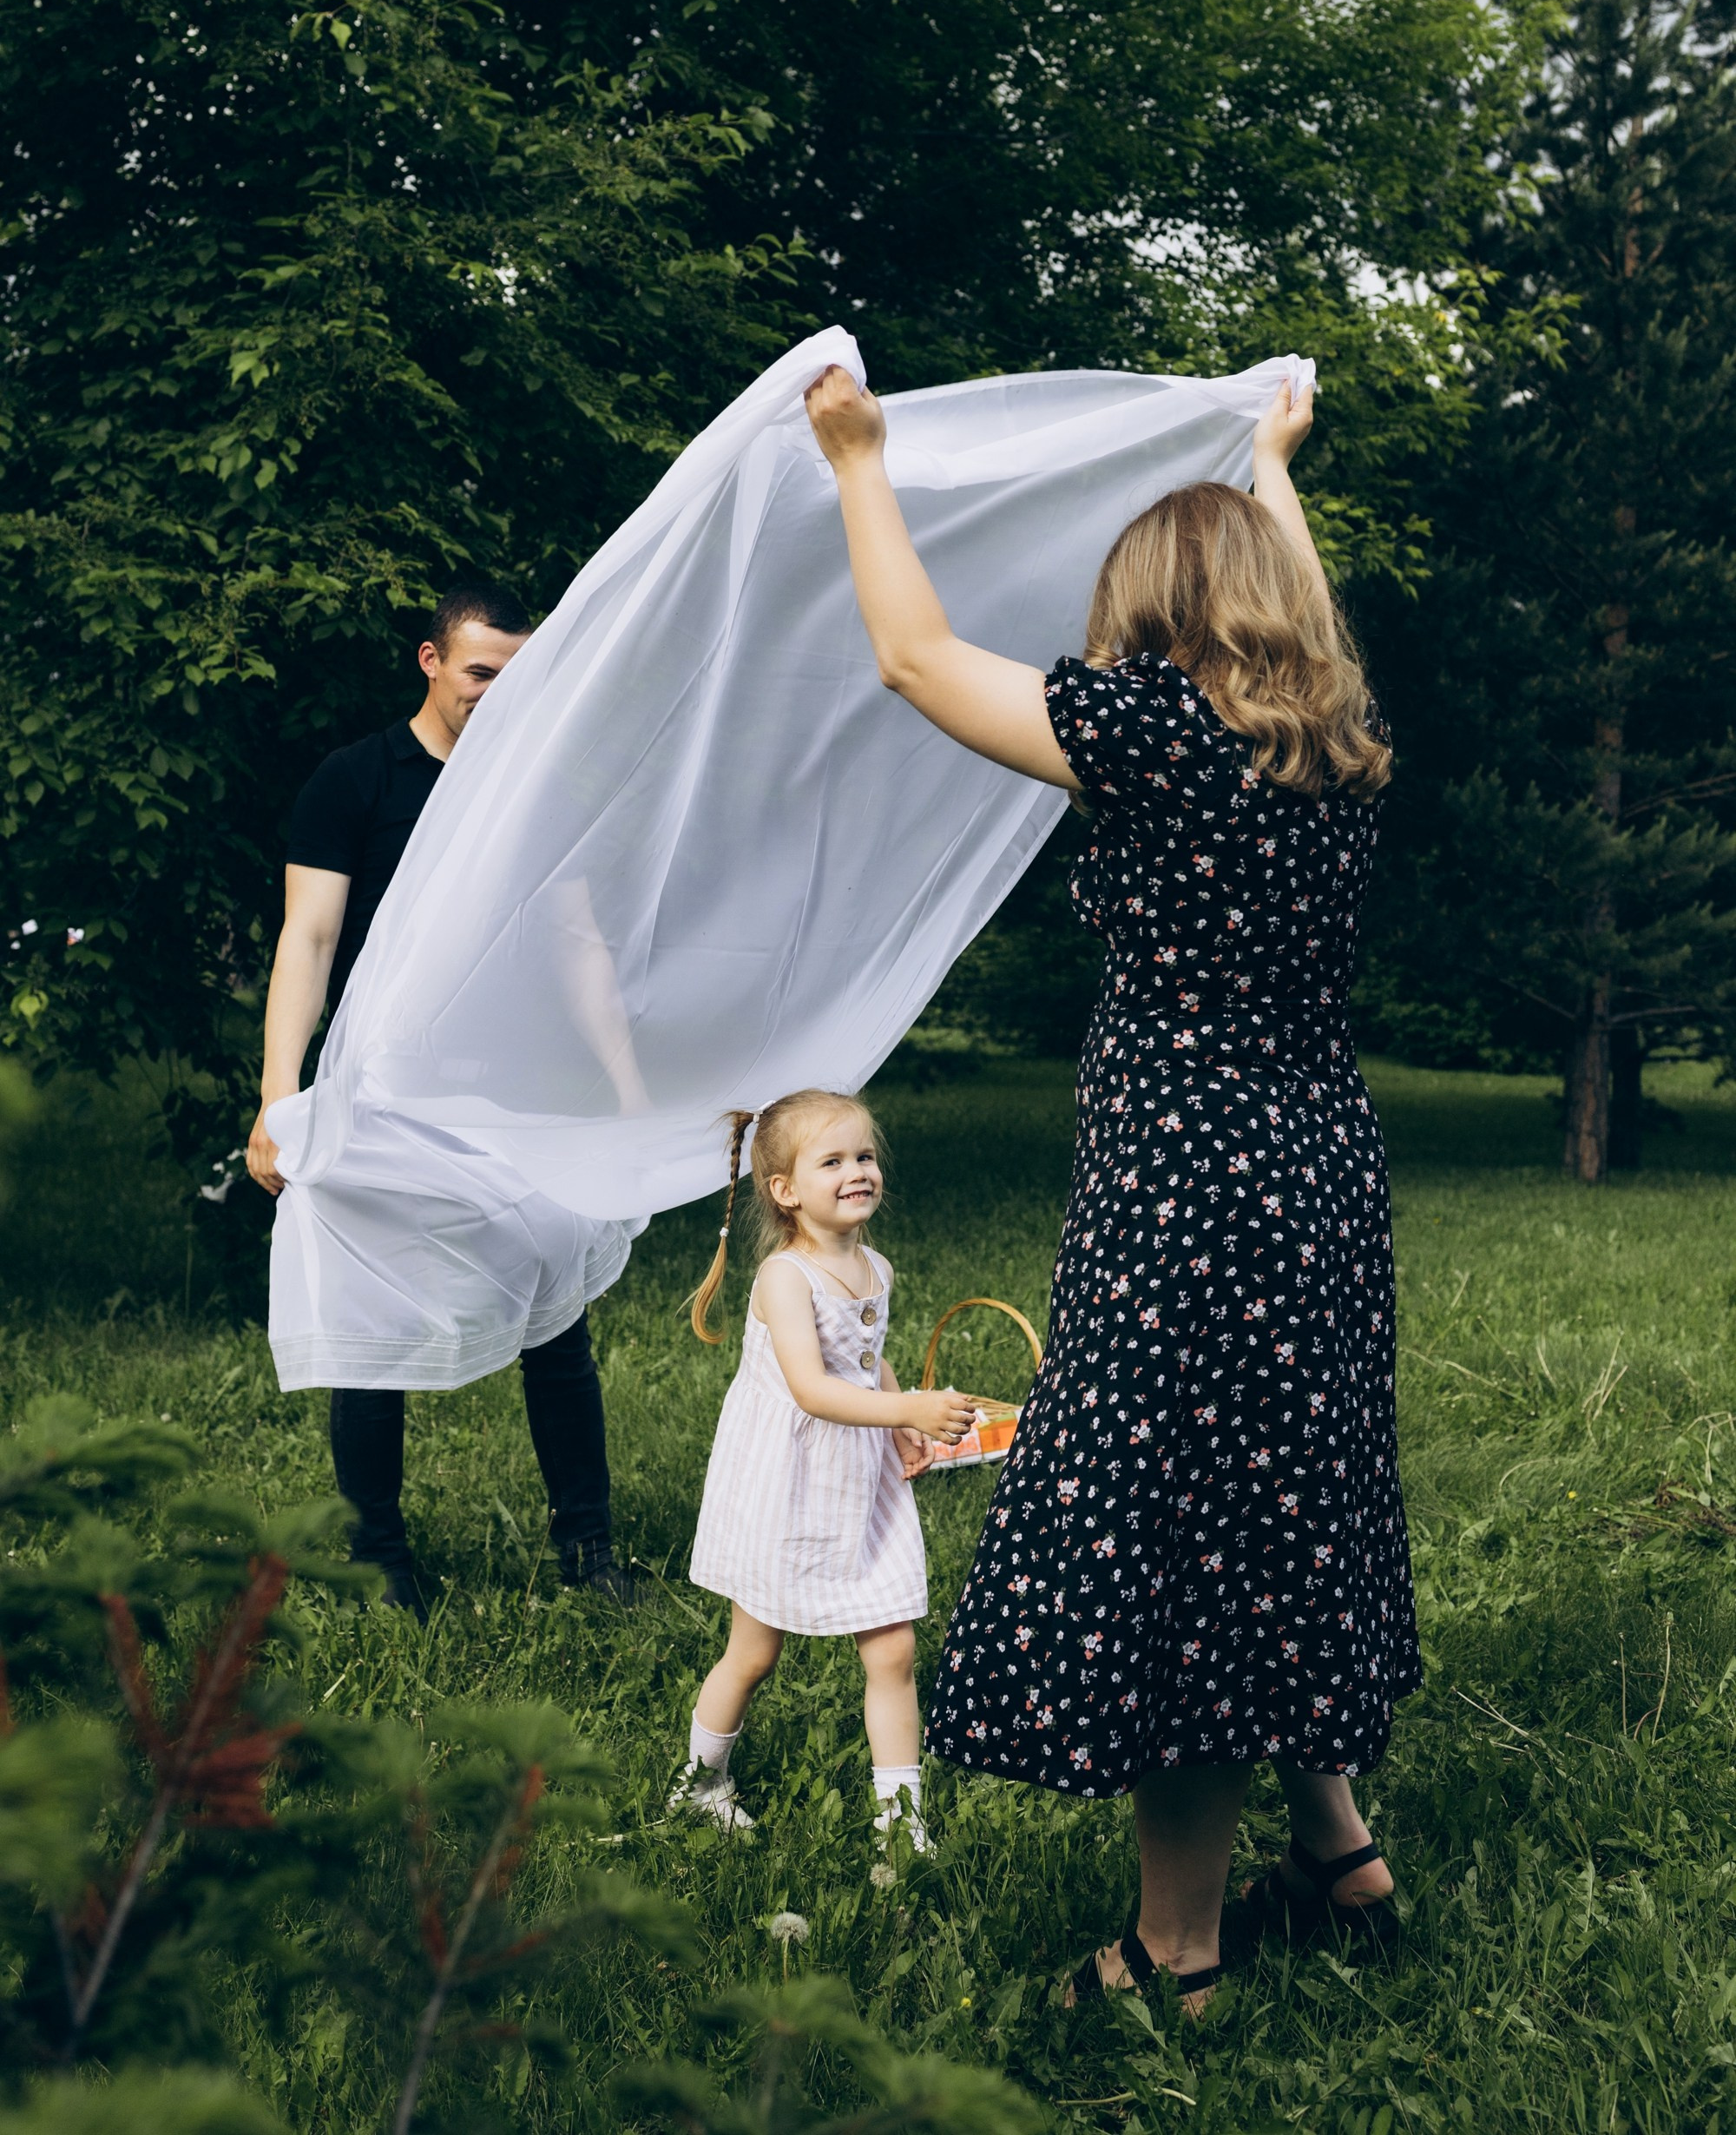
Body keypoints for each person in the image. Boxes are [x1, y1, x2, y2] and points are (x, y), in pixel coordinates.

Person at [804, 362, 1416, 2007]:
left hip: (1184, 1181)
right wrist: (1276, 464)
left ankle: (1179, 1950)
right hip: (1315, 1166)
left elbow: (915, 657)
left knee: (1187, 1540)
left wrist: (862, 462)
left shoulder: (1154, 733)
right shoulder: (1338, 748)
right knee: (1282, 1491)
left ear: (1152, 610)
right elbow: (1318, 628)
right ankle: (1337, 1840)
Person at [246, 583, 642, 1614]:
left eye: (517, 677)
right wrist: (278, 1097)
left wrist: (632, 1090)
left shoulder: (531, 790)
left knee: (556, 1324)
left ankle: (588, 1554)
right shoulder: (354, 781)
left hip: (508, 1099)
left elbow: (577, 946)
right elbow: (310, 939)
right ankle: (378, 1562)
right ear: (430, 661)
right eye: (479, 673)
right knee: (373, 1323)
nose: (496, 695)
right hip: (378, 1097)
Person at [670, 1090, 975, 1842]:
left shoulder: (876, 1265)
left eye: (865, 1156)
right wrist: (909, 1412)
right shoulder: (785, 1279)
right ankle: (699, 1785)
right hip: (786, 1484)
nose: (857, 1171)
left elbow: (870, 1362)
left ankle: (898, 1824)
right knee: (754, 1650)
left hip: (856, 1479)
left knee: (894, 1648)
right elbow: (812, 1388)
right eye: (832, 1161)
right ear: (785, 1191)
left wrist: (901, 1416)